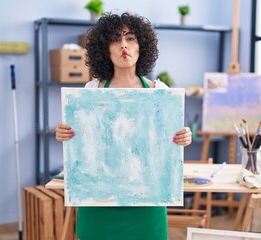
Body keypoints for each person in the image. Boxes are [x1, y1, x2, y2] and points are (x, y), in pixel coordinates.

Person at [55, 12, 192, 240]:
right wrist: (64, 133)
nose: (123, 46)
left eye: (130, 38)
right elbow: (82, 142)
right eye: (115, 40)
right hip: (98, 201)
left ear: (141, 46)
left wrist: (184, 136)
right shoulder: (92, 91)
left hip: (148, 201)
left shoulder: (160, 92)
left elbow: (168, 144)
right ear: (105, 49)